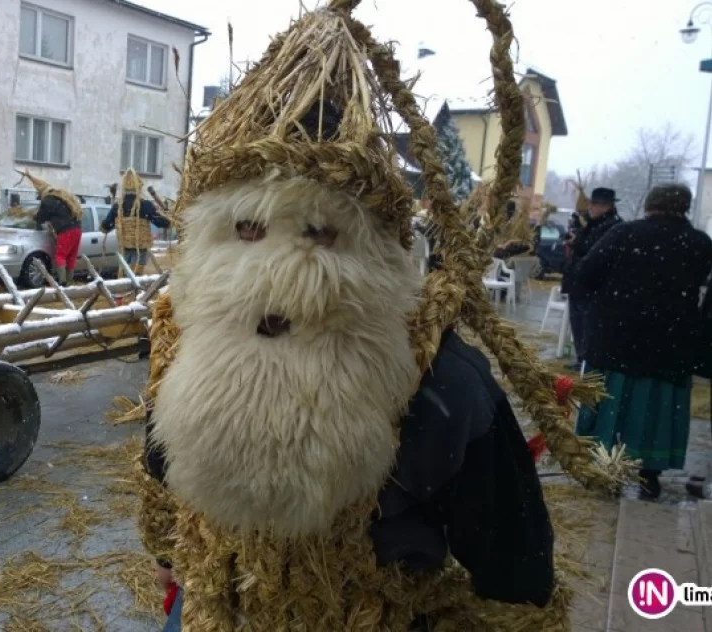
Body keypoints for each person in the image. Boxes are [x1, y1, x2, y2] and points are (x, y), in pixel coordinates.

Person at [132, 3, 609, 630]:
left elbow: (507, 549)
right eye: (249, 230)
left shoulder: (437, 378)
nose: (273, 280)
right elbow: (511, 555)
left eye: (317, 234)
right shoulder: (187, 335)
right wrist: (172, 556)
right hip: (216, 604)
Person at [575, 184, 712, 499]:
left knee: (614, 409)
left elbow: (585, 274)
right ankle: (650, 475)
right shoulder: (700, 243)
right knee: (655, 412)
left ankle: (607, 467)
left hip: (617, 341)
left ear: (650, 205)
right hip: (670, 346)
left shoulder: (624, 234)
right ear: (684, 207)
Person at [561, 187, 622, 371]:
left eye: (594, 204)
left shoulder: (612, 226)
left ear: (605, 206)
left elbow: (595, 252)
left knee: (588, 326)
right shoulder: (592, 223)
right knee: (578, 325)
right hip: (579, 283)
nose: (591, 208)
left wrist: (577, 242)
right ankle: (582, 359)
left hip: (592, 286)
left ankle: (587, 362)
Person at [17, 169, 84, 285]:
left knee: (60, 256)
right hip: (77, 229)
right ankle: (69, 283)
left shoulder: (48, 200)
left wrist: (34, 217)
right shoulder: (62, 198)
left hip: (65, 231)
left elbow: (41, 217)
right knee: (71, 257)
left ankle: (62, 282)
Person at [101, 168, 170, 275]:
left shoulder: (118, 206)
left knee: (125, 274)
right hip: (140, 249)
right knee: (136, 274)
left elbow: (105, 226)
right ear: (139, 186)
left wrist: (113, 224)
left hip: (124, 248)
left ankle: (125, 283)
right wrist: (169, 219)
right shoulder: (145, 205)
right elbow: (161, 222)